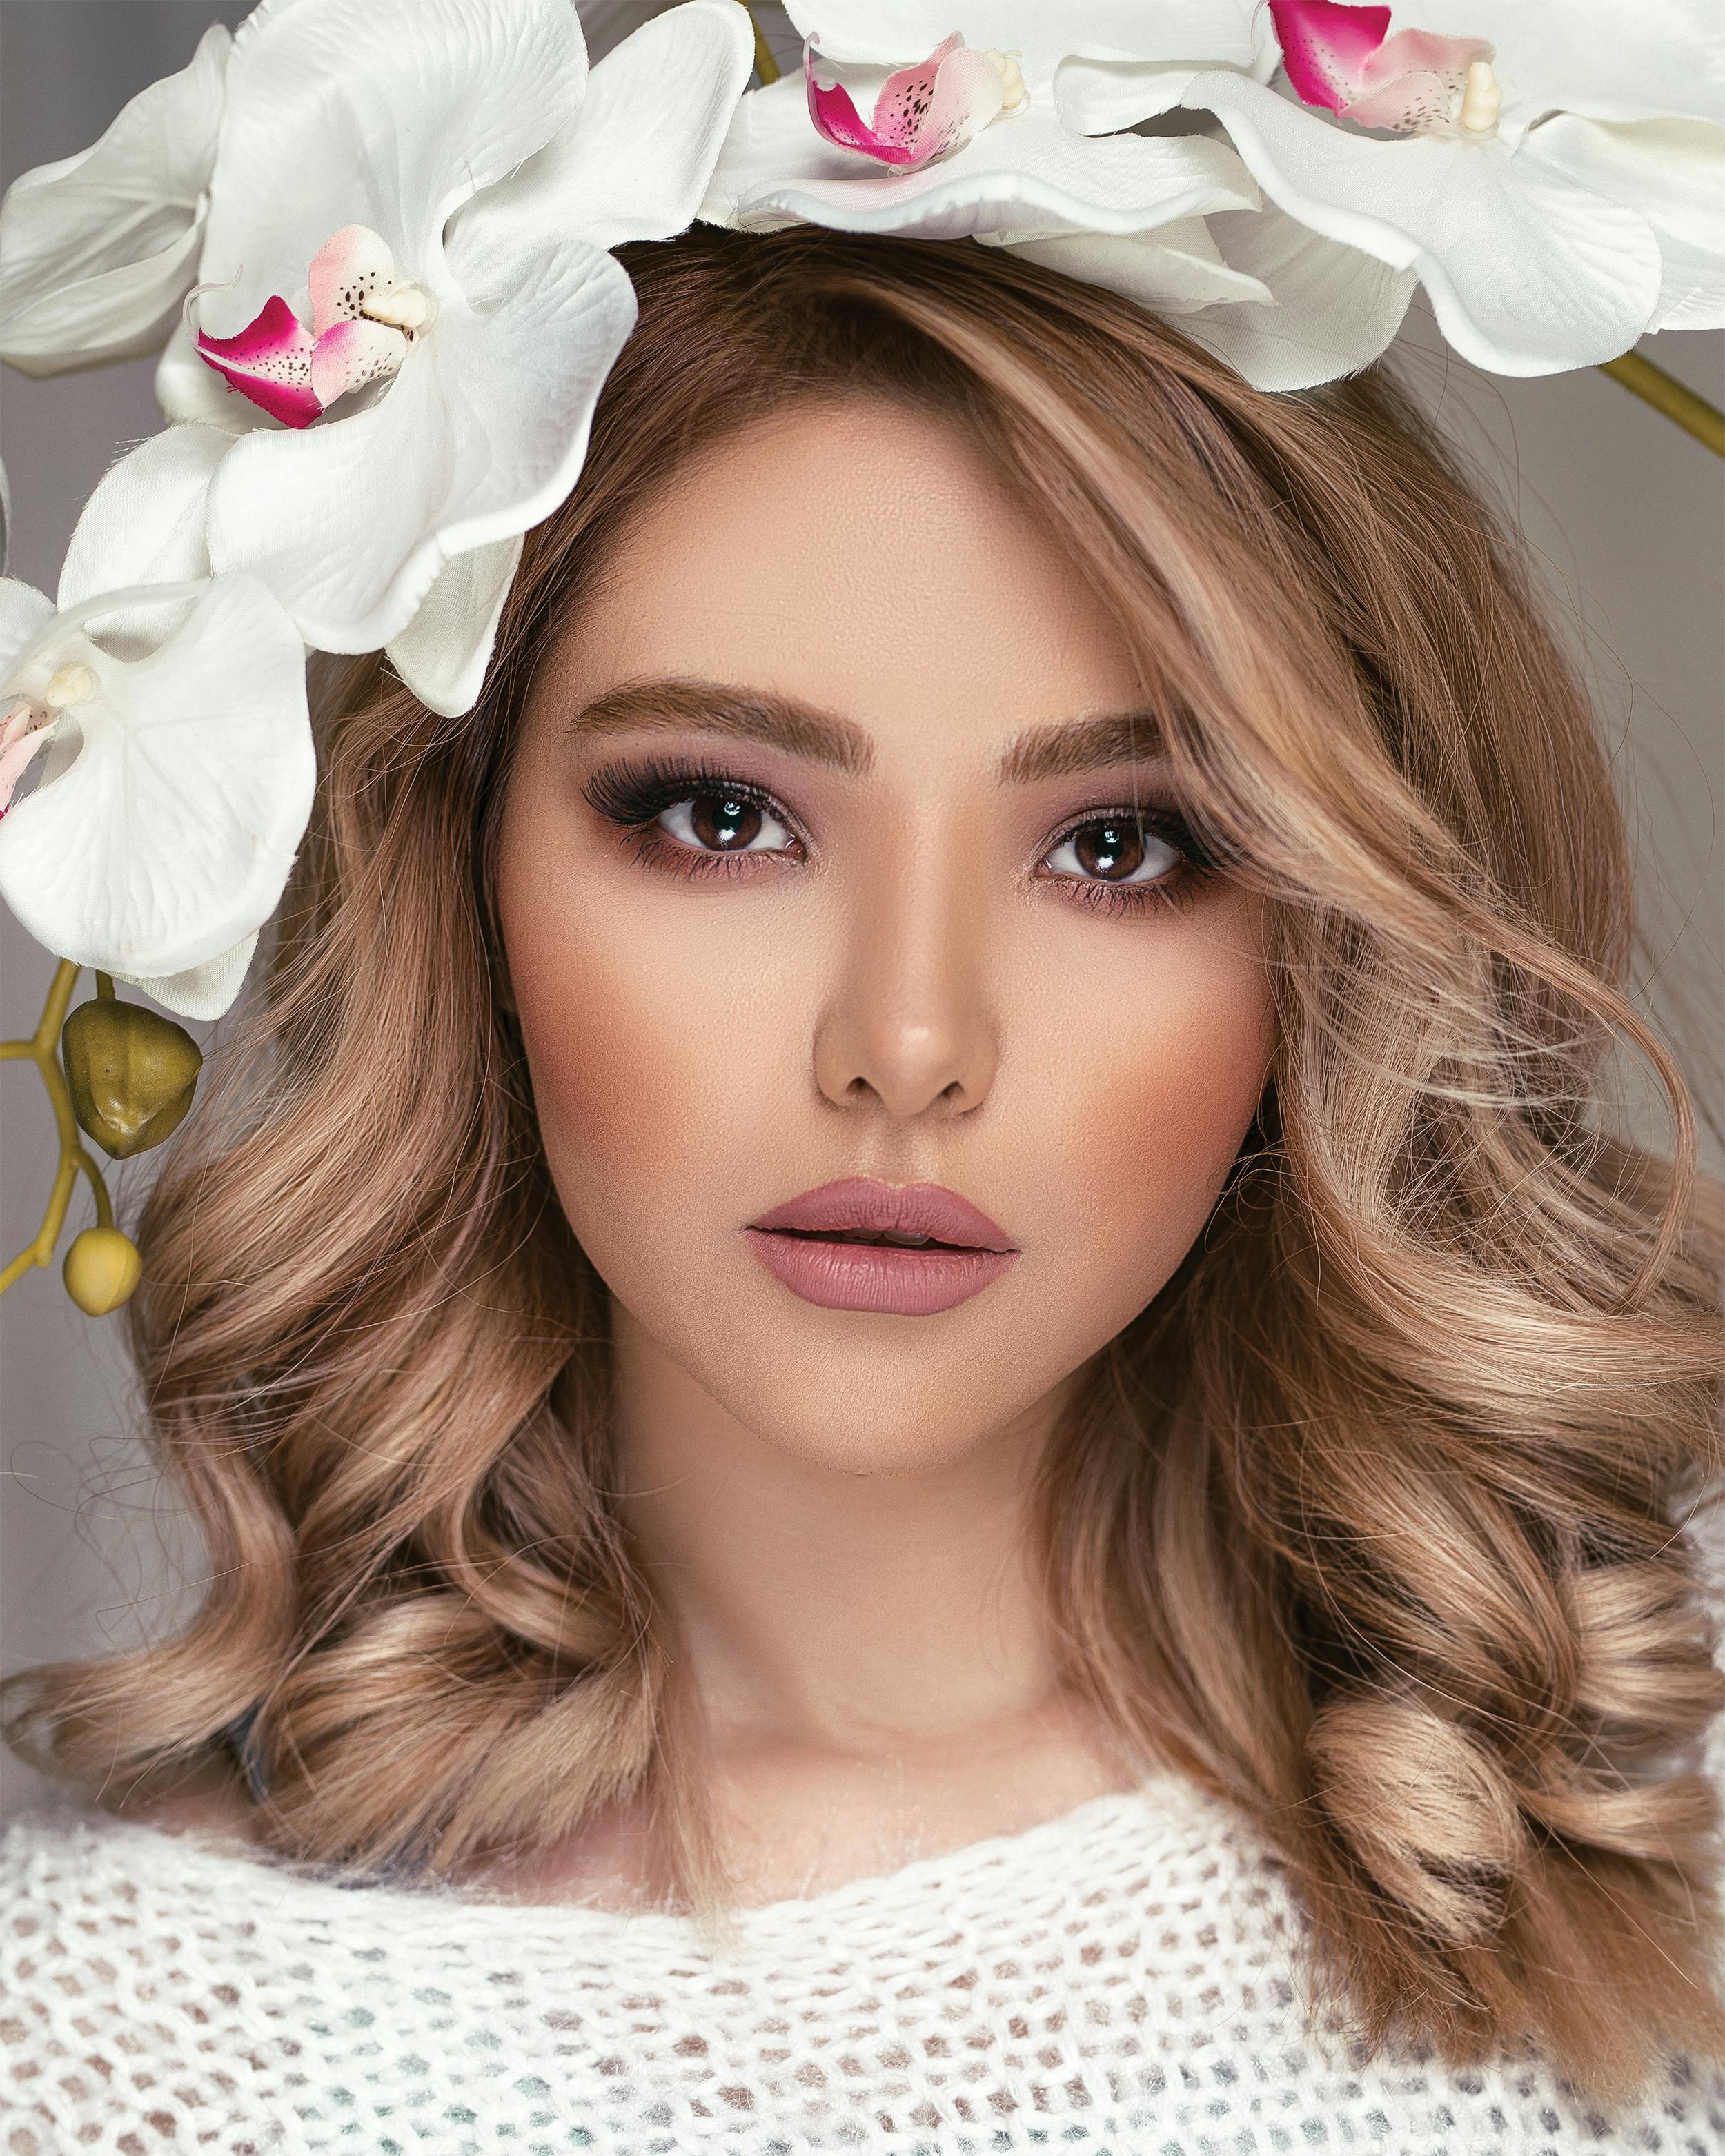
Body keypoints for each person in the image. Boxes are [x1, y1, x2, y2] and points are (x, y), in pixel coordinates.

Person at [3, 219, 1722, 2152]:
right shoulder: (98, 2052)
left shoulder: (1659, 1884)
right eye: (722, 816)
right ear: (460, 875)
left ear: (1331, 947)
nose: (907, 1046)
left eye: (1123, 846)